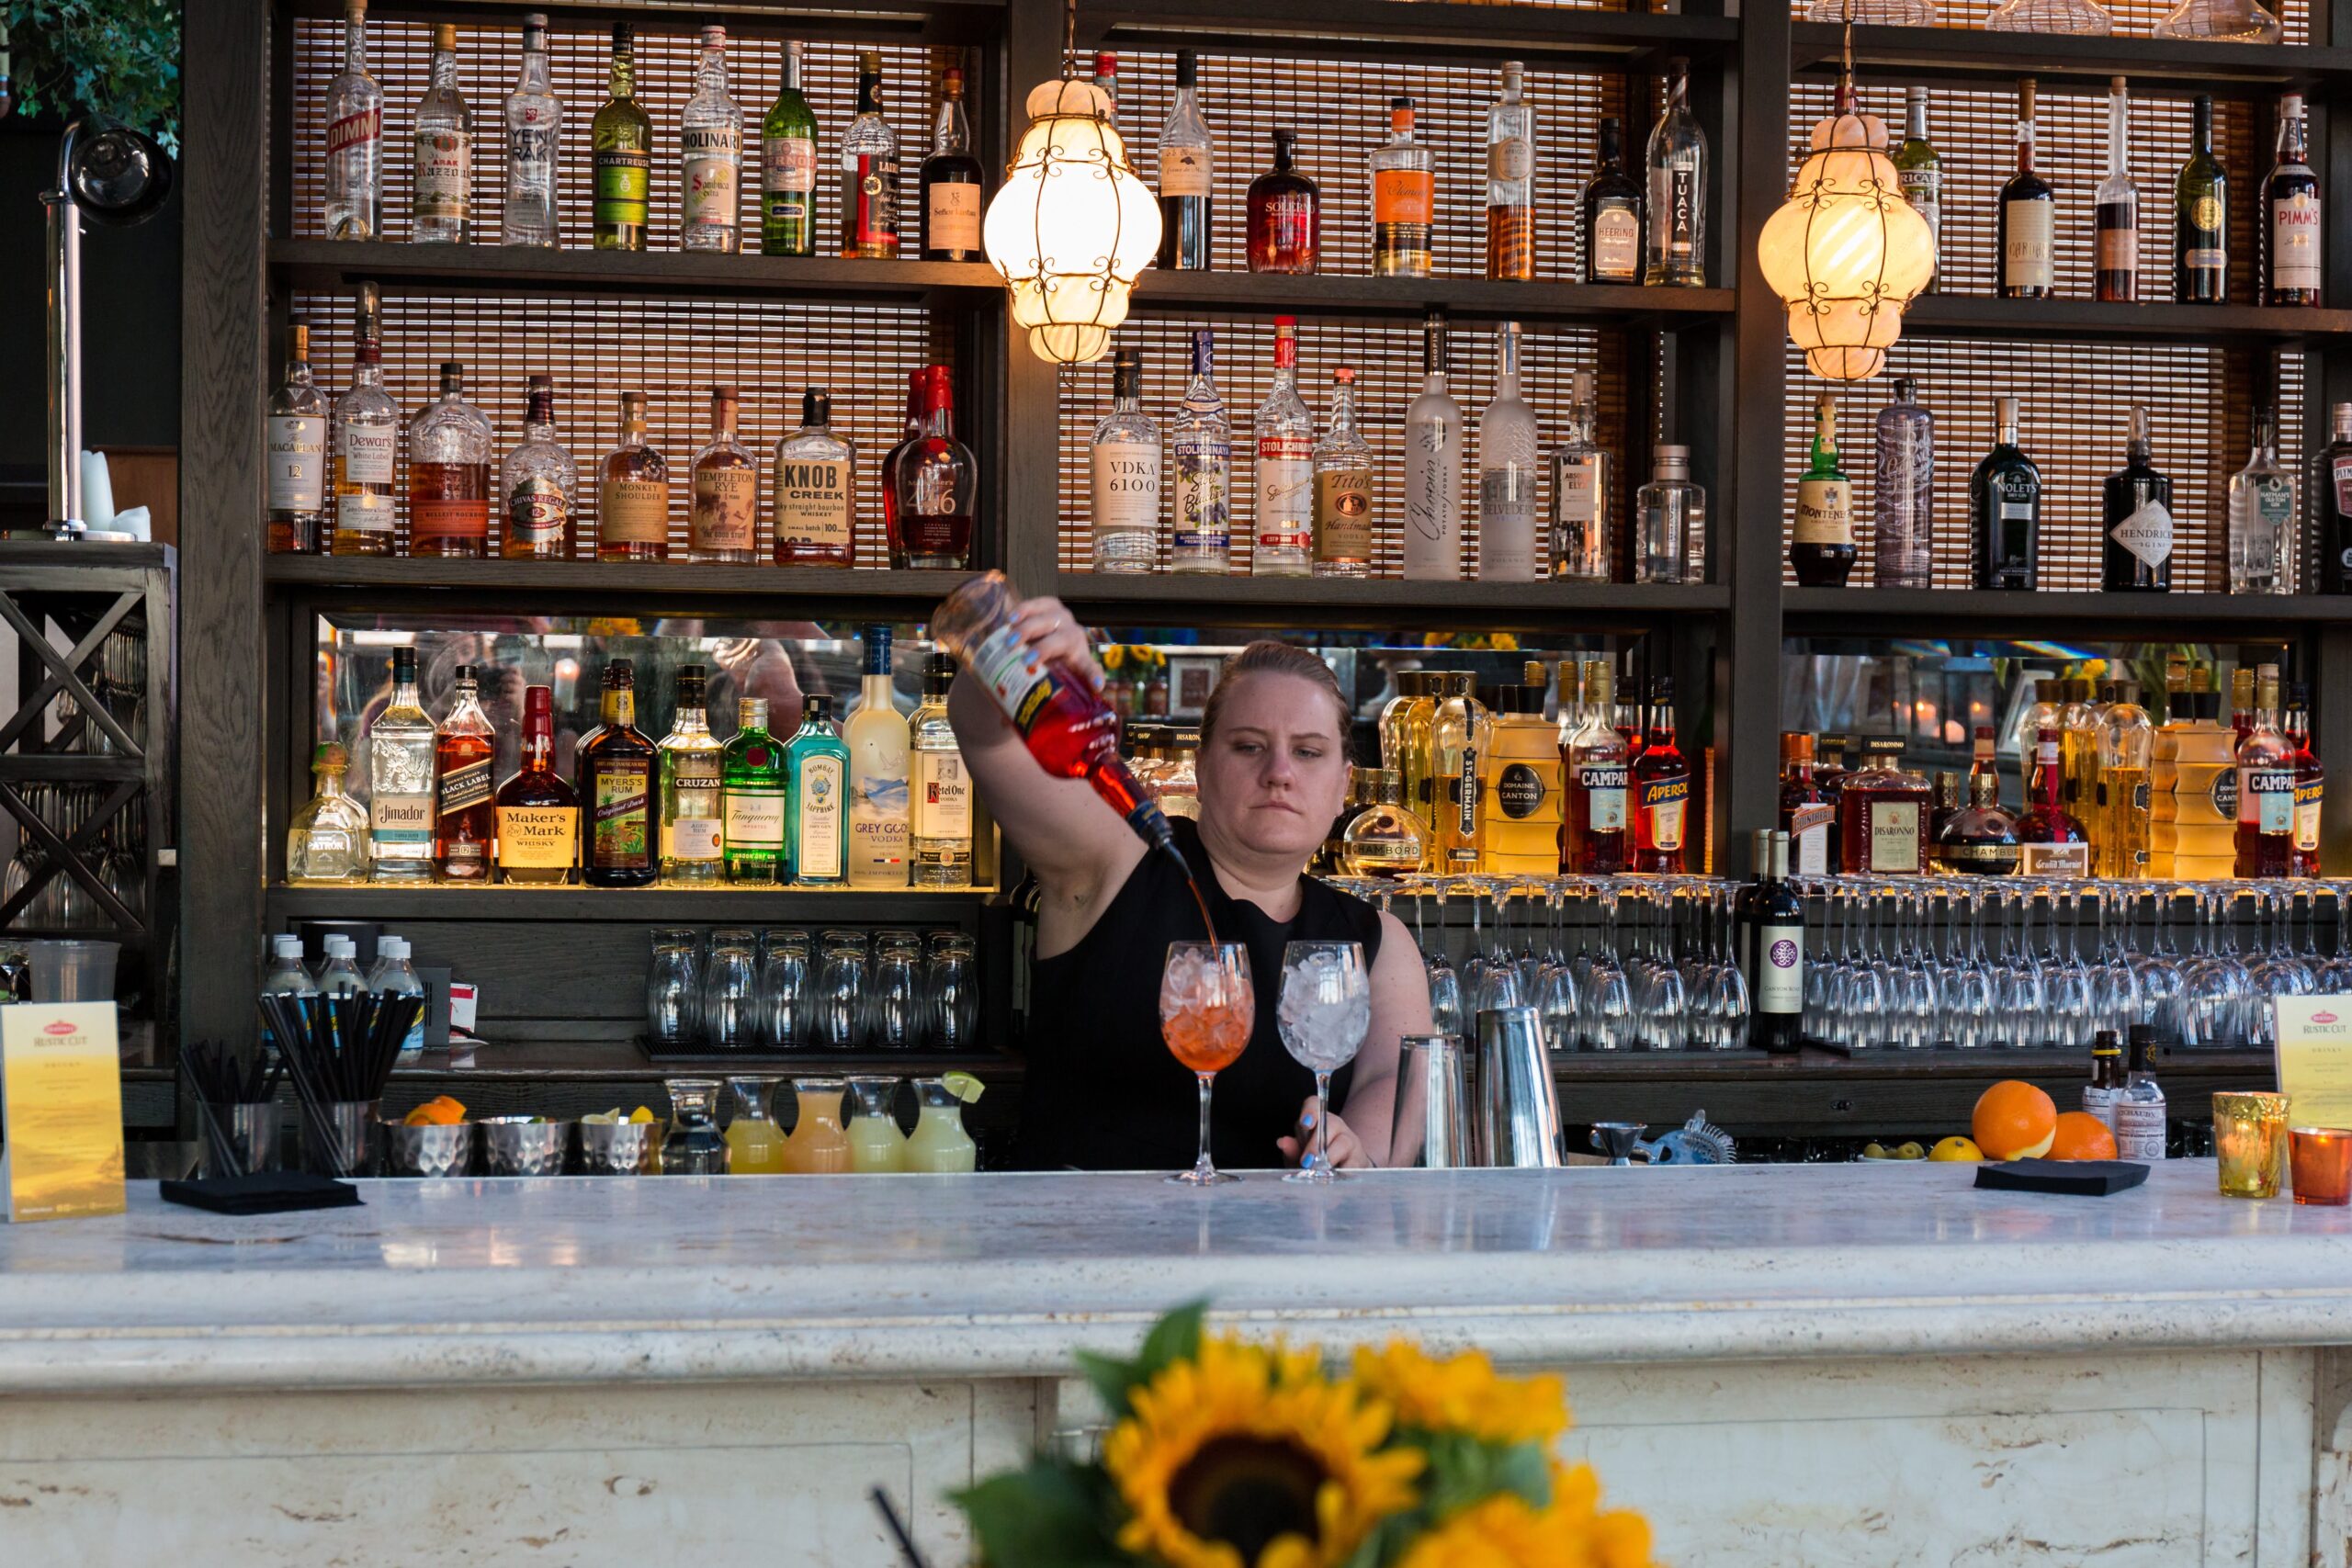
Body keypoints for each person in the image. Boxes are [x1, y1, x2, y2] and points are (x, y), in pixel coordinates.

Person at [948, 597, 1432, 1171]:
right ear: (1200, 768)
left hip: (1281, 1248)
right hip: (1085, 1244)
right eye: (1249, 746)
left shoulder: (1375, 941)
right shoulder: (1116, 861)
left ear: (1343, 786)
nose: (1279, 772)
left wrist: (1357, 1151)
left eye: (1308, 752)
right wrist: (1019, 662)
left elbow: (1392, 1084)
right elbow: (988, 743)